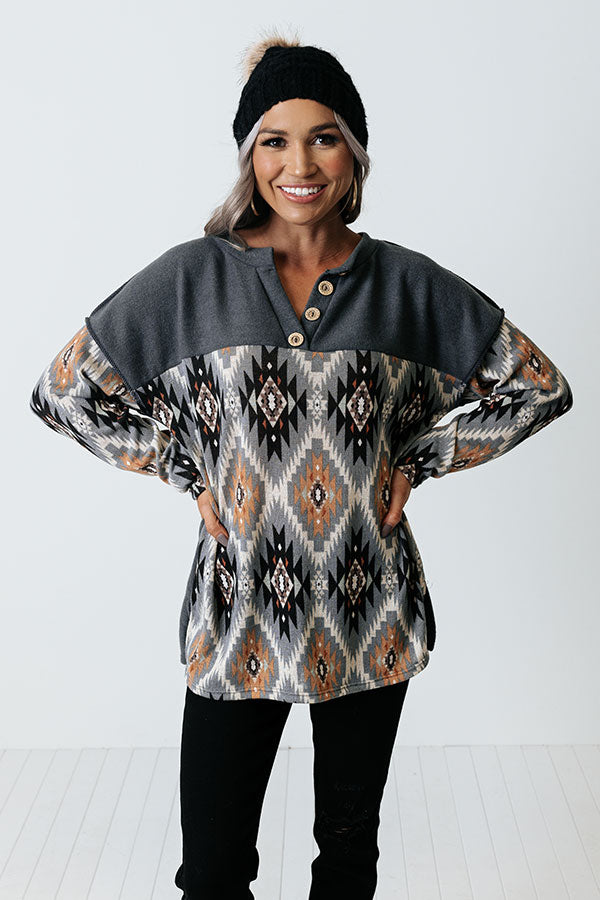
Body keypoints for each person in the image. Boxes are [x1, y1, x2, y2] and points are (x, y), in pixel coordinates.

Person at [29, 30, 573, 900]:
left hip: (369, 613)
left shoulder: (405, 284)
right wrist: (184, 470)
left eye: (324, 137)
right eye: (275, 141)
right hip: (237, 614)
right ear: (250, 157)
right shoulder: (191, 280)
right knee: (212, 873)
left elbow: (538, 388)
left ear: (353, 153)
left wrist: (421, 459)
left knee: (347, 867)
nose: (300, 165)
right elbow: (65, 391)